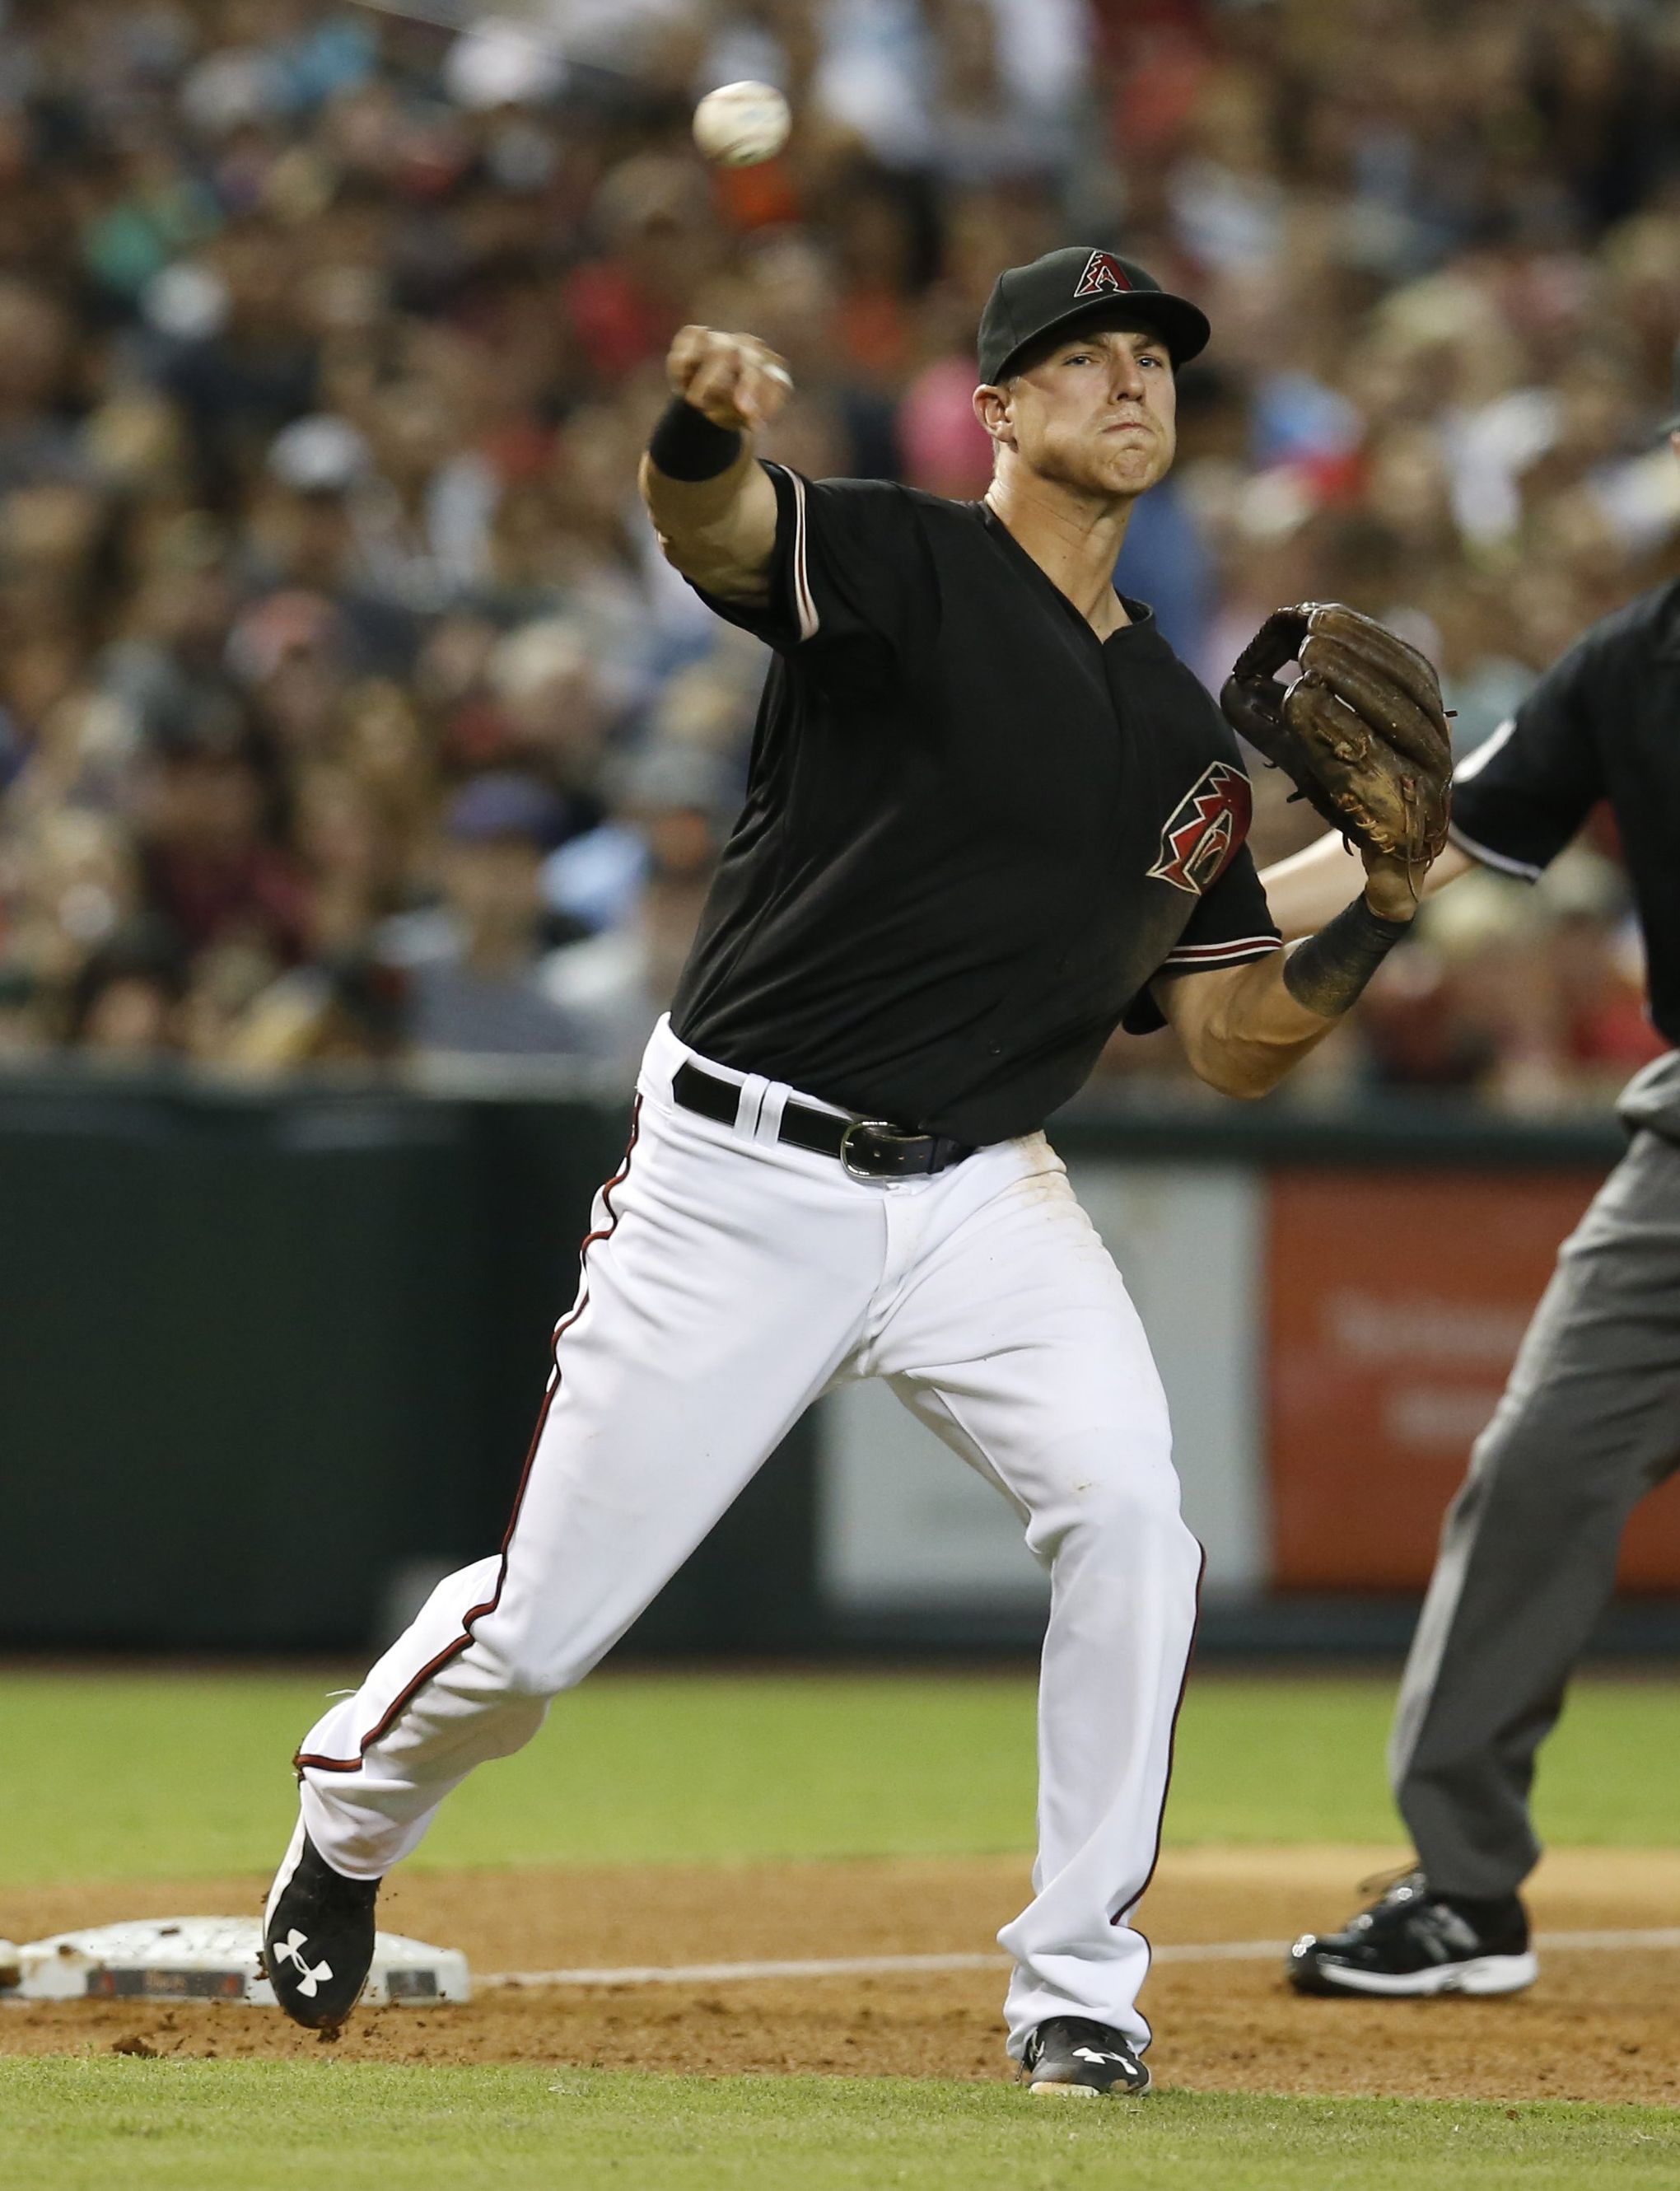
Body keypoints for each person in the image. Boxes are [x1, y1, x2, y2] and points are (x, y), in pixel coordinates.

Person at [261, 246, 1440, 2094]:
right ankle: (346, 1820)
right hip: (744, 1170)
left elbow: (1224, 1038)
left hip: (985, 1190)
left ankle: (1078, 1989)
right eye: (1082, 357)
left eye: (1155, 358)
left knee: (1134, 1525)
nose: (1129, 383)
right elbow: (715, 532)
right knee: (543, 1635)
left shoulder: (1179, 734)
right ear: (999, 410)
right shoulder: (905, 562)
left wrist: (1375, 909)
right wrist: (693, 426)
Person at [1267, 357, 1680, 2002]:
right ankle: (1464, 1886)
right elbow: (1420, 838)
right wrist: (1187, 931)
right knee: (1538, 1468)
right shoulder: (1636, 663)